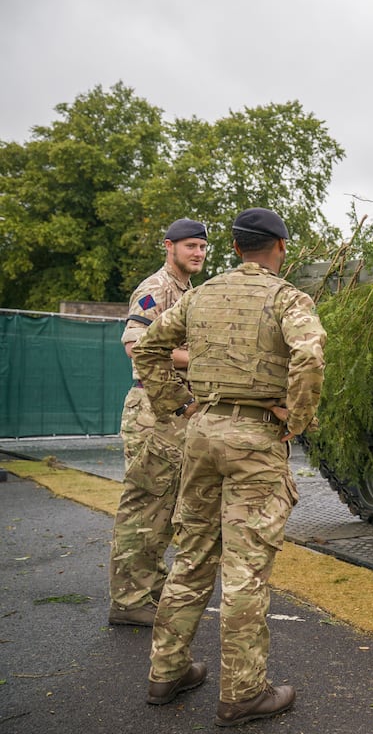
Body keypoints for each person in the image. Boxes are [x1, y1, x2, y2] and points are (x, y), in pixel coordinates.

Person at [132, 207, 325, 726]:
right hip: (256, 438)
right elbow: (310, 358)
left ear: (236, 248)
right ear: (279, 248)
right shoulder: (288, 298)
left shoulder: (199, 295)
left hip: (202, 433)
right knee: (246, 569)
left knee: (192, 553)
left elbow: (147, 347)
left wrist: (176, 405)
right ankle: (242, 692)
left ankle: (165, 673)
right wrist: (296, 420)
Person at [108, 218, 208, 627]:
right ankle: (128, 601)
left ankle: (146, 588)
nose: (198, 253)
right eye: (190, 246)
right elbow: (136, 345)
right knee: (145, 504)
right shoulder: (157, 288)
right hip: (152, 408)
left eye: (202, 247)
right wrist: (201, 359)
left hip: (173, 408)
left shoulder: (187, 290)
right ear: (169, 247)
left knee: (163, 507)